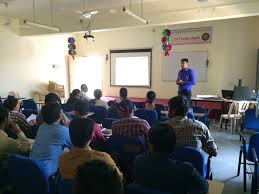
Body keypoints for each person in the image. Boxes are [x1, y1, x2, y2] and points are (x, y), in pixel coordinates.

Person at [134, 123, 208, 194]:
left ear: (150, 145)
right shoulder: (186, 170)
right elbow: (204, 188)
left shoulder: (138, 162)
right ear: (174, 145)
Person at [30, 102, 73, 177]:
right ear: (60, 115)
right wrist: (66, 126)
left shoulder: (41, 127)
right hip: (47, 171)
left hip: (31, 166)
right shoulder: (62, 131)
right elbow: (74, 147)